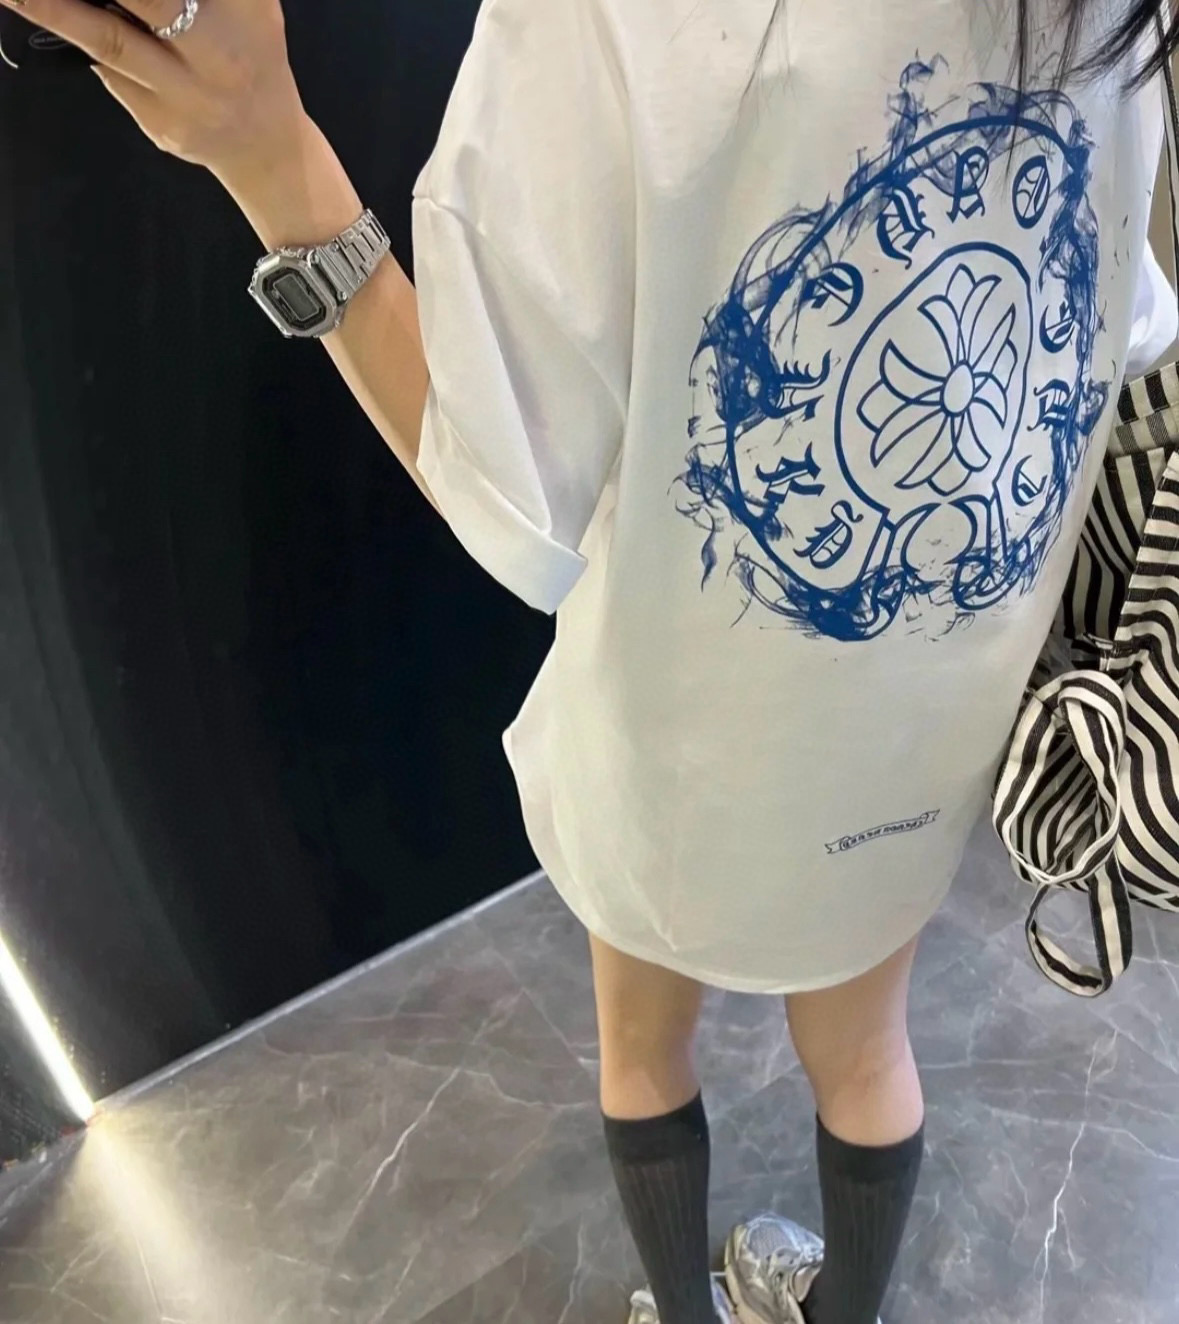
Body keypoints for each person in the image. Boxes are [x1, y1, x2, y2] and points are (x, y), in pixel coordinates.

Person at [13, 0, 1177, 1319]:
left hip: (677, 740)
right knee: (866, 1059)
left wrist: (268, 150)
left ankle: (681, 1311)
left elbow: (510, 506)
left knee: (642, 1052)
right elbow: (1121, 328)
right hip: (922, 738)